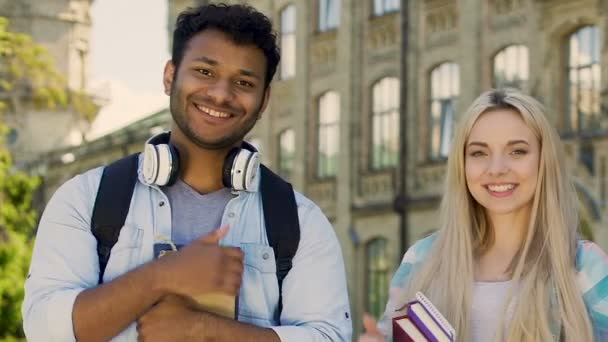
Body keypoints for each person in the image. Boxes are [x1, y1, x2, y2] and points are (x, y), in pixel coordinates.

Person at [22, 3, 352, 341]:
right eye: (205, 72)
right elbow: (45, 330)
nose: (221, 94)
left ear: (264, 100)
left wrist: (204, 329)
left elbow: (329, 337)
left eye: (243, 82)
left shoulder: (300, 222)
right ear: (170, 76)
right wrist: (164, 275)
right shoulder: (86, 199)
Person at [359, 89, 608, 341]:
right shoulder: (422, 260)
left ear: (544, 161)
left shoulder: (583, 265)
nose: (496, 169)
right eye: (479, 153)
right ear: (462, 164)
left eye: (517, 151)